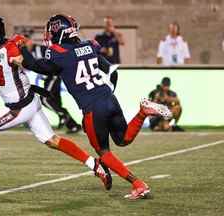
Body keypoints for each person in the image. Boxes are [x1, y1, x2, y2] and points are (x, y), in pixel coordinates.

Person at [13, 14, 172, 200]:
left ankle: (138, 184)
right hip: (109, 98)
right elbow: (111, 71)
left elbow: (35, 65)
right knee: (123, 139)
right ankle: (142, 112)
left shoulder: (59, 54)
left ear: (59, 32)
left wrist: (20, 47)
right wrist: (107, 93)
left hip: (92, 108)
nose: (49, 35)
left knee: (103, 154)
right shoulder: (88, 46)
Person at [0, 15, 111, 190]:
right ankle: (95, 165)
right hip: (31, 101)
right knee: (52, 140)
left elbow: (23, 48)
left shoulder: (11, 48)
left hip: (20, 107)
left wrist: (20, 46)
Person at [28, 38, 81, 133]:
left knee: (45, 99)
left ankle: (63, 115)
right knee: (56, 102)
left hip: (53, 75)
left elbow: (52, 58)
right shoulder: (29, 53)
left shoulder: (41, 49)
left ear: (31, 41)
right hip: (48, 77)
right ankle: (73, 126)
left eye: (26, 42)